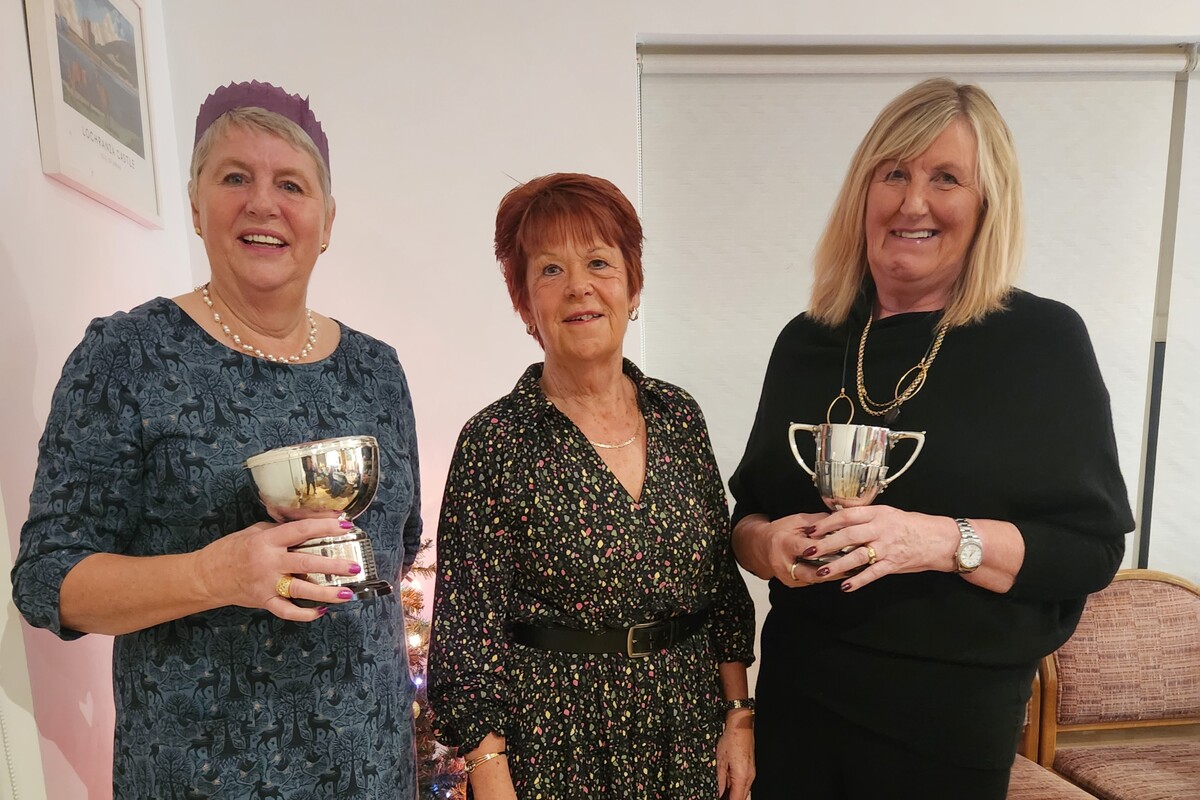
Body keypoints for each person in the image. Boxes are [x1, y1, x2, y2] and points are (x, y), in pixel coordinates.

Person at [11, 80, 421, 799]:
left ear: (326, 221)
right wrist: (215, 575)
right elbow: (47, 579)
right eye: (236, 177)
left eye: (290, 184)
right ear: (197, 206)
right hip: (200, 777)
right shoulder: (127, 355)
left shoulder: (377, 369)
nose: (264, 202)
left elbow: (398, 543)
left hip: (372, 771)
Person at [728, 78, 1134, 800]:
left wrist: (941, 541)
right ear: (864, 194)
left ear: (986, 204)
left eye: (945, 177)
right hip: (800, 701)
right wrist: (770, 547)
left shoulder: (1042, 343)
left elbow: (1092, 549)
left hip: (948, 722)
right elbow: (747, 518)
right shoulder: (808, 341)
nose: (913, 202)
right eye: (894, 174)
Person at [428, 173, 757, 800]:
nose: (579, 286)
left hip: (686, 731)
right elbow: (466, 634)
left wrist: (738, 715)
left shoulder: (678, 415)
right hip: (555, 743)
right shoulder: (496, 439)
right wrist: (492, 782)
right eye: (550, 270)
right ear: (525, 304)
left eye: (600, 262)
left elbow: (720, 588)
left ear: (632, 285)